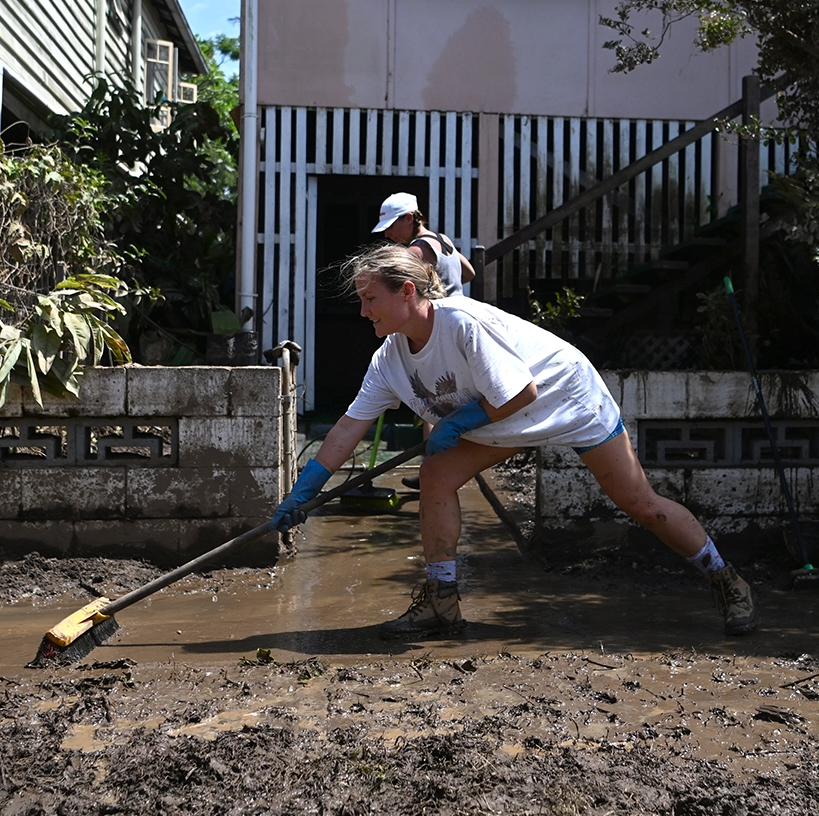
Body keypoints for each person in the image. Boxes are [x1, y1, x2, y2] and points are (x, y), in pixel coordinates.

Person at [270, 244, 757, 640]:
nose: (361, 311)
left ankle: (725, 578)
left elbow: (524, 390)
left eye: (369, 299)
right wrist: (305, 489)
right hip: (499, 410)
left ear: (408, 293)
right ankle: (442, 601)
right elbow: (347, 429)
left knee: (639, 503)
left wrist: (457, 424)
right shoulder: (389, 360)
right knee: (437, 476)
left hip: (564, 394)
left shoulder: (461, 325)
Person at [373, 192, 474, 296]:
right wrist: (448, 288)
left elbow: (401, 292)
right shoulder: (444, 239)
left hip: (438, 311)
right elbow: (469, 273)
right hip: (459, 307)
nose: (386, 234)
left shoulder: (417, 250)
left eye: (390, 226)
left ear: (409, 218)